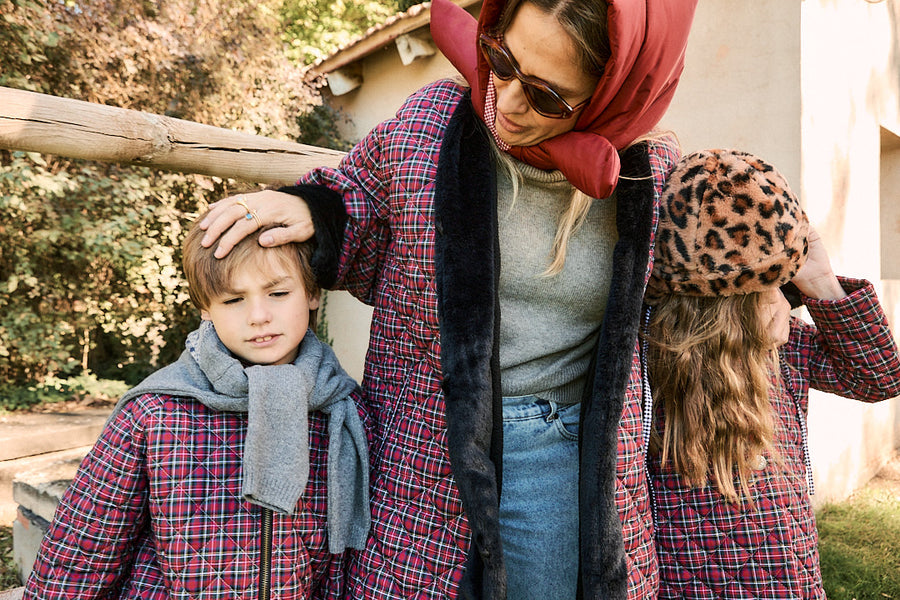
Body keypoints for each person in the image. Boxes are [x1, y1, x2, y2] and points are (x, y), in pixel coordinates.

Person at [199, 0, 698, 597]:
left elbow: (710, 291)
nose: (507, 102)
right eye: (502, 60)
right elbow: (357, 201)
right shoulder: (431, 123)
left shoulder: (652, 176)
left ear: (615, 94)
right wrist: (311, 209)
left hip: (563, 465)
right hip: (423, 454)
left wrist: (776, 291)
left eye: (547, 96)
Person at [23, 216, 369, 600]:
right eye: (233, 299)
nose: (258, 316)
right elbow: (82, 548)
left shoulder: (343, 411)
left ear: (312, 293)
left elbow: (352, 561)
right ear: (206, 308)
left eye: (277, 294)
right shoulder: (156, 411)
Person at [643, 149, 900, 599]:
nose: (789, 302)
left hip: (793, 581)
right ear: (727, 310)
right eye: (770, 291)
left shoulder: (786, 349)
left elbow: (878, 378)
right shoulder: (646, 368)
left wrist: (822, 280)